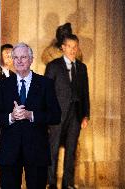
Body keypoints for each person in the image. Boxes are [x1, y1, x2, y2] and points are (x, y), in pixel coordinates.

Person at [0, 42, 61, 189]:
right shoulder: (4, 85)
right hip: (9, 153)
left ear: (31, 59)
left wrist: (31, 115)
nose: (19, 61)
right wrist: (11, 117)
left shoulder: (45, 83)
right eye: (16, 57)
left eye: (23, 57)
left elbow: (55, 116)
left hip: (37, 152)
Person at [45, 34, 90, 189]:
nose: (72, 50)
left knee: (71, 150)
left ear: (77, 48)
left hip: (75, 115)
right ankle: (51, 183)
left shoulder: (82, 68)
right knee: (53, 149)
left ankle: (67, 183)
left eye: (75, 47)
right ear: (63, 47)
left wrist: (86, 115)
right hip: (56, 114)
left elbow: (85, 93)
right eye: (69, 46)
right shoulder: (53, 66)